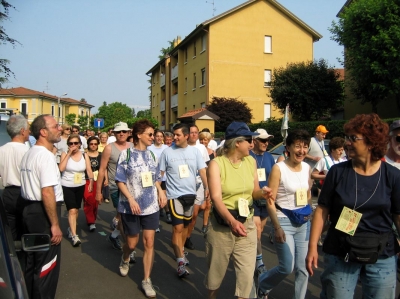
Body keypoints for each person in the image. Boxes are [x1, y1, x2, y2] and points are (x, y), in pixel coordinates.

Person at [306, 114, 400, 299]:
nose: (347, 143)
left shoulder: (392, 176)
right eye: (348, 137)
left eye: (353, 138)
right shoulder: (337, 172)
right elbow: (322, 210)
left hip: (382, 253)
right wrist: (312, 247)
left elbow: (398, 215)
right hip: (341, 251)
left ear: (371, 142)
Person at [205, 121, 272, 299]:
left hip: (246, 224)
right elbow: (216, 198)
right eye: (249, 140)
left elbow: (254, 191)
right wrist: (231, 221)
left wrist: (263, 193)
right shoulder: (216, 164)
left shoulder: (250, 161)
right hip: (222, 227)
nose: (252, 144)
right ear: (237, 143)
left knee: (246, 277)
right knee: (215, 276)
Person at [115, 120, 167, 298]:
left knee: (149, 242)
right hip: (130, 206)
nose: (154, 137)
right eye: (150, 134)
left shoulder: (153, 156)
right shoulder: (126, 155)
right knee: (131, 243)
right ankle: (125, 257)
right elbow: (120, 181)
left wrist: (160, 191)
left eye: (153, 134)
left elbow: (155, 179)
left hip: (151, 205)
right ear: (139, 135)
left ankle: (146, 279)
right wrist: (130, 199)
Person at [258, 129, 312, 299]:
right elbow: (270, 200)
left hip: (303, 222)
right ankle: (262, 284)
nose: (301, 151)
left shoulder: (307, 168)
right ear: (288, 147)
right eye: (297, 146)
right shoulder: (278, 168)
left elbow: (308, 194)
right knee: (286, 267)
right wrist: (277, 227)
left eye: (305, 147)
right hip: (284, 221)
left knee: (303, 268)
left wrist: (309, 212)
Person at [20, 114, 63, 299]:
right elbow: (47, 192)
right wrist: (54, 224)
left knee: (32, 262)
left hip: (29, 210)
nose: (60, 128)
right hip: (42, 213)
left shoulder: (30, 152)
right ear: (43, 132)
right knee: (47, 265)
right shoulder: (44, 156)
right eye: (55, 126)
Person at [159, 123, 208, 277]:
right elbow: (159, 175)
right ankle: (180, 261)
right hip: (174, 196)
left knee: (187, 226)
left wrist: (208, 189)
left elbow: (202, 171)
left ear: (186, 136)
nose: (174, 137)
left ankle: (181, 249)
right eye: (174, 135)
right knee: (177, 228)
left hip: (191, 195)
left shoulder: (195, 152)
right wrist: (159, 191)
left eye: (178, 135)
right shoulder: (167, 152)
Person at [96, 122, 133, 253]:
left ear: (129, 132)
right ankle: (129, 247)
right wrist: (98, 191)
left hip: (132, 187)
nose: (121, 134)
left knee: (129, 216)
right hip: (115, 187)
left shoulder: (133, 146)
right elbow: (101, 170)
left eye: (124, 131)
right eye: (118, 132)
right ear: (114, 133)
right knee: (124, 217)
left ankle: (114, 235)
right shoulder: (109, 148)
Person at [59, 134, 93, 246]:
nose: (73, 145)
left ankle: (70, 229)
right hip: (67, 184)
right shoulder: (64, 153)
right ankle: (74, 235)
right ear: (68, 145)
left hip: (80, 184)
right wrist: (68, 154)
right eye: (71, 143)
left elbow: (88, 169)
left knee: (76, 210)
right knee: (72, 210)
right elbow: (61, 168)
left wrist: (91, 182)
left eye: (76, 143)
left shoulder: (84, 155)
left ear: (80, 144)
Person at [249, 128, 275, 275]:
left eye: (267, 140)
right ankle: (259, 261)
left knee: (259, 232)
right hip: (253, 198)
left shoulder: (270, 157)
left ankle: (252, 254)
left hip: (265, 200)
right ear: (255, 141)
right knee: (257, 229)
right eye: (264, 140)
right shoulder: (249, 157)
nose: (266, 143)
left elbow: (273, 177)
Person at [311, 136, 346, 246]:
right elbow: (313, 174)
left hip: (342, 195)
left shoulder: (344, 161)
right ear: (333, 150)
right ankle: (315, 236)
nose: (341, 152)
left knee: (340, 220)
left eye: (342, 149)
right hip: (328, 194)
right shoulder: (324, 160)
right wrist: (326, 177)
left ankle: (338, 240)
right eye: (339, 150)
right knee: (327, 220)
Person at [0, 115, 30, 241]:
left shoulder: (2, 149)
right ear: (22, 131)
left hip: (7, 192)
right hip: (24, 192)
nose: (29, 132)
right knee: (26, 229)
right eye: (28, 129)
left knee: (10, 230)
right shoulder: (28, 151)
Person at [185, 125, 210, 250]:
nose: (194, 135)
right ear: (187, 134)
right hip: (185, 185)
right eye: (191, 132)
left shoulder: (201, 148)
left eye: (196, 132)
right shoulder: (182, 147)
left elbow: (205, 168)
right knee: (187, 214)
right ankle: (181, 235)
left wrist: (207, 186)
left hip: (199, 184)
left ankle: (187, 237)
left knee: (194, 214)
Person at [147, 129, 170, 225]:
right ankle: (155, 217)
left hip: (164, 177)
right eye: (157, 136)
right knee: (155, 197)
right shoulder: (149, 148)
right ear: (154, 137)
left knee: (164, 196)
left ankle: (167, 212)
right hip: (152, 177)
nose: (159, 138)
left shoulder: (166, 148)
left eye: (161, 136)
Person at [199, 131, 216, 233]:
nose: (203, 141)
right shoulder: (197, 151)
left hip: (210, 179)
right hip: (199, 179)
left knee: (208, 205)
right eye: (201, 139)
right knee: (202, 206)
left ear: (208, 141)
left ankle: (205, 225)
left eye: (205, 139)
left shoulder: (213, 153)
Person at [84, 136, 101, 232]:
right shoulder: (85, 155)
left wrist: (106, 179)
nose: (93, 145)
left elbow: (104, 168)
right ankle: (91, 222)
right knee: (88, 199)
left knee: (95, 201)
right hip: (87, 180)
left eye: (95, 144)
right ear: (88, 144)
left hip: (98, 180)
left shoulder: (101, 155)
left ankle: (93, 218)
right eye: (91, 144)